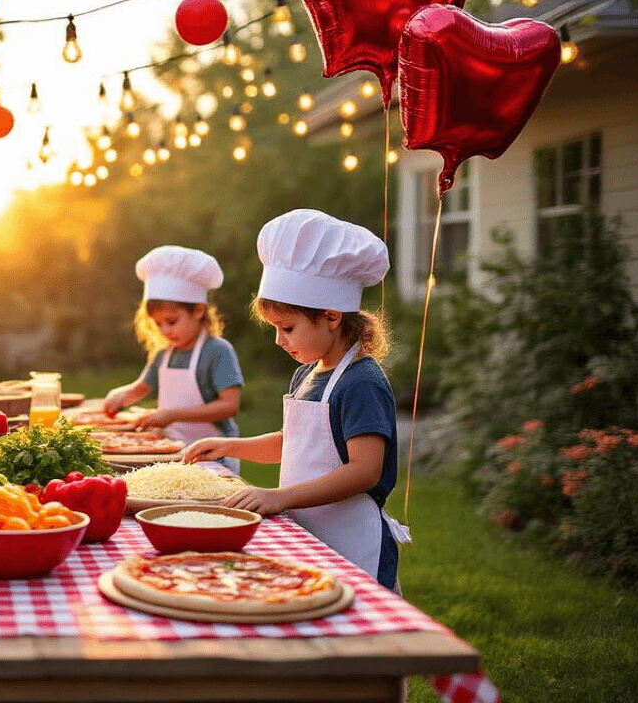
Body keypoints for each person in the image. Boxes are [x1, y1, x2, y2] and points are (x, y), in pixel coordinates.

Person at [184, 209, 410, 591]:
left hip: (354, 544)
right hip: (310, 536)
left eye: (287, 328)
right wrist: (227, 444)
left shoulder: (361, 382)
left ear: (332, 316)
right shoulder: (309, 371)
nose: (279, 340)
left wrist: (280, 496)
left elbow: (365, 470)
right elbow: (296, 444)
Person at [103, 245, 244, 474]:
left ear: (198, 311)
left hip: (214, 455)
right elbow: (142, 387)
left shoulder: (218, 351)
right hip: (171, 450)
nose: (165, 331)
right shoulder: (164, 354)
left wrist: (172, 415)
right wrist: (120, 396)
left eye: (171, 321)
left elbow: (229, 405)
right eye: (158, 323)